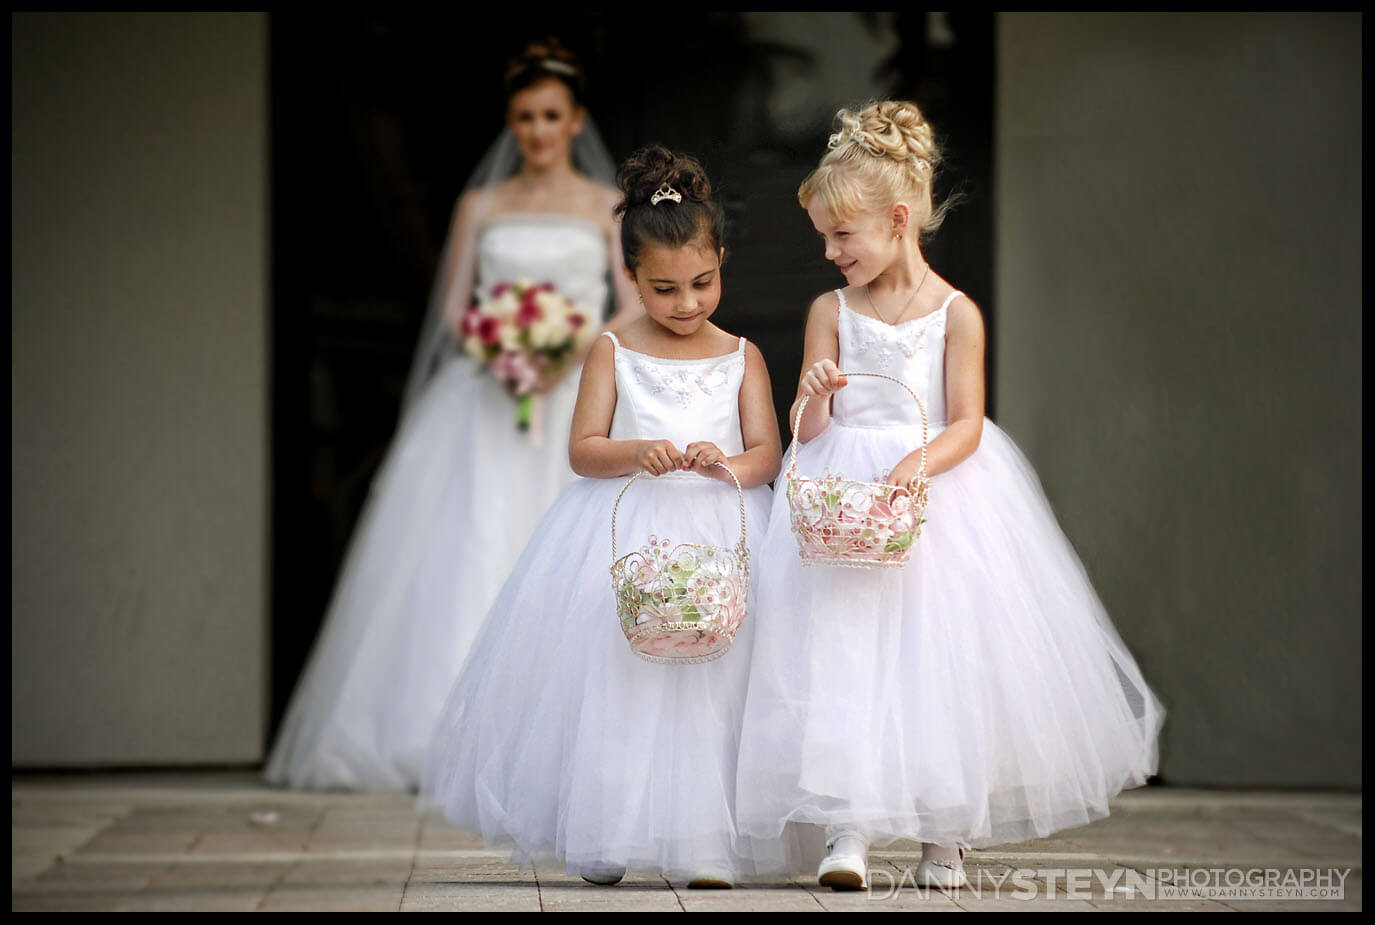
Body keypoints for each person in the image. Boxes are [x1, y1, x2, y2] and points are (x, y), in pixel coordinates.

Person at [734, 101, 1165, 891]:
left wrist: (918, 460)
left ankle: (944, 834)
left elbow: (967, 420)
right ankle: (846, 824)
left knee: (942, 665)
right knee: (842, 657)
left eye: (841, 236)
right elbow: (804, 421)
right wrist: (819, 390)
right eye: (822, 237)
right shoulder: (829, 312)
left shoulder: (955, 313)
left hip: (934, 501)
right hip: (844, 505)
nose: (828, 252)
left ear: (897, 220)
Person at [265, 38, 639, 792]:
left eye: (550, 115)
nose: (536, 130)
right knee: (467, 545)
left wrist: (569, 350)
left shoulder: (605, 206)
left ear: (575, 121)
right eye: (524, 116)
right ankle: (446, 734)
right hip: (486, 394)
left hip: (573, 393)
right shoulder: (480, 205)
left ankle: (563, 737)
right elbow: (451, 306)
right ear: (511, 122)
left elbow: (630, 304)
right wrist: (503, 345)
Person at [421, 145, 782, 888]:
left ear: (720, 258)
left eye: (701, 283)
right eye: (663, 289)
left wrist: (727, 467)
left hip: (719, 526)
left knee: (715, 683)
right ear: (630, 277)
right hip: (624, 529)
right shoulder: (611, 349)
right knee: (620, 677)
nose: (686, 304)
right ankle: (607, 825)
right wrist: (638, 449)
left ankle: (705, 839)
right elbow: (583, 449)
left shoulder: (742, 356)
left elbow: (767, 452)